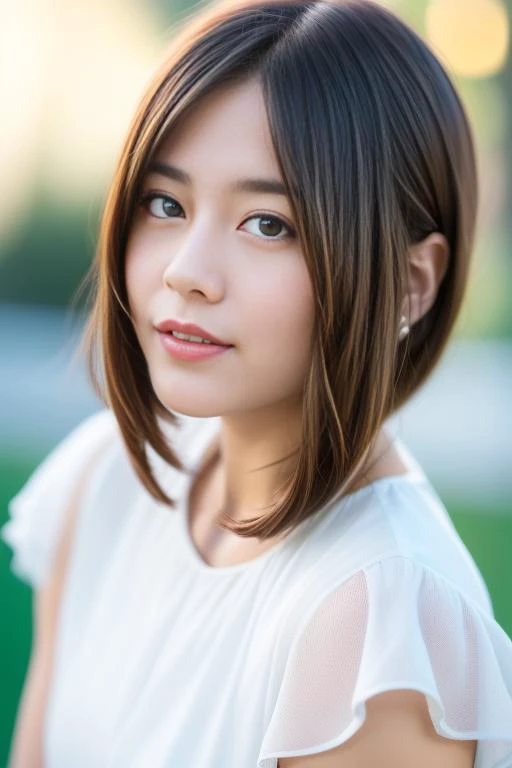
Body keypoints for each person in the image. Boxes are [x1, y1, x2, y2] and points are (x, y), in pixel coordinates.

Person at [2, 0, 512, 765]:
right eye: (166, 204)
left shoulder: (378, 622)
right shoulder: (104, 479)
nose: (186, 272)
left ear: (411, 283)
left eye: (268, 224)